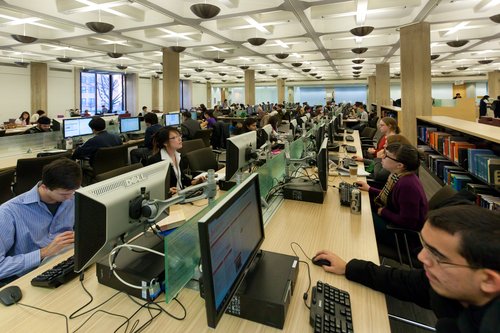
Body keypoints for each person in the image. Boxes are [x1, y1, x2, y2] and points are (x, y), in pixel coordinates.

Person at [314, 205, 500, 333]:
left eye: (437, 255)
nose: (420, 257)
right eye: (425, 246)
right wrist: (349, 267)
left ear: (489, 281)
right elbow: (404, 282)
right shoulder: (449, 284)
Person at [0, 158, 82, 283]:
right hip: (30, 275)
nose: (70, 198)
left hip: (65, 261)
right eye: (64, 194)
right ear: (44, 187)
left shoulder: (73, 194)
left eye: (73, 192)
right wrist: (44, 252)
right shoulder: (8, 212)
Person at [355, 143, 428, 246]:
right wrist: (370, 189)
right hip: (395, 222)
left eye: (386, 156)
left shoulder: (407, 185)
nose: (382, 157)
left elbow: (408, 222)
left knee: (362, 217)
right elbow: (390, 196)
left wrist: (384, 212)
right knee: (360, 203)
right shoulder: (397, 175)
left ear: (400, 165)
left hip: (403, 236)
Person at [147, 127, 205, 194]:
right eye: (174, 138)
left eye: (179, 136)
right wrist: (167, 191)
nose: (180, 139)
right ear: (165, 143)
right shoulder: (155, 161)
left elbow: (181, 178)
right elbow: (152, 188)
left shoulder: (178, 156)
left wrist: (194, 181)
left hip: (181, 195)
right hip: (169, 199)